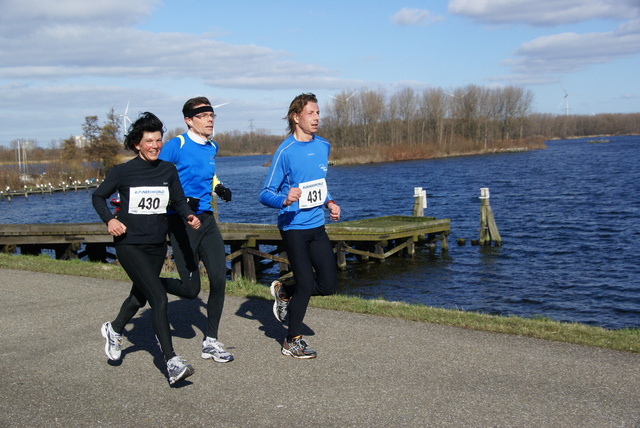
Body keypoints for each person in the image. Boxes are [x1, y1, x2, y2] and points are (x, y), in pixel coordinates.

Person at [93, 112, 201, 385]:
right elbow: (98, 197)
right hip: (130, 244)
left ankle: (114, 329)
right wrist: (111, 220)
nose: (155, 145)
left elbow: (178, 200)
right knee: (159, 299)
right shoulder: (123, 171)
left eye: (158, 140)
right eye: (149, 141)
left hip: (156, 245)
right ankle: (172, 361)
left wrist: (188, 214)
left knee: (139, 297)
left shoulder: (167, 169)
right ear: (137, 145)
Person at [259, 93, 341, 359]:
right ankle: (291, 340)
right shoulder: (285, 152)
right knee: (307, 282)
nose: (317, 118)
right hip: (292, 227)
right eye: (311, 113)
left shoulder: (323, 146)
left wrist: (329, 203)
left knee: (328, 285)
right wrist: (284, 199)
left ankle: (285, 292)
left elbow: (317, 186)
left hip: (317, 225)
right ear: (296, 117)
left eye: (318, 113)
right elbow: (265, 193)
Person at [157, 96, 233, 363]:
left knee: (219, 279)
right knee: (191, 291)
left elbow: (206, 174)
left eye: (212, 115)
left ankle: (211, 341)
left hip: (207, 219)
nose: (210, 119)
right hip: (181, 222)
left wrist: (218, 186)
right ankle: (151, 284)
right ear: (189, 120)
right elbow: (158, 177)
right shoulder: (175, 146)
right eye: (204, 116)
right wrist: (178, 202)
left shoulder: (212, 146)